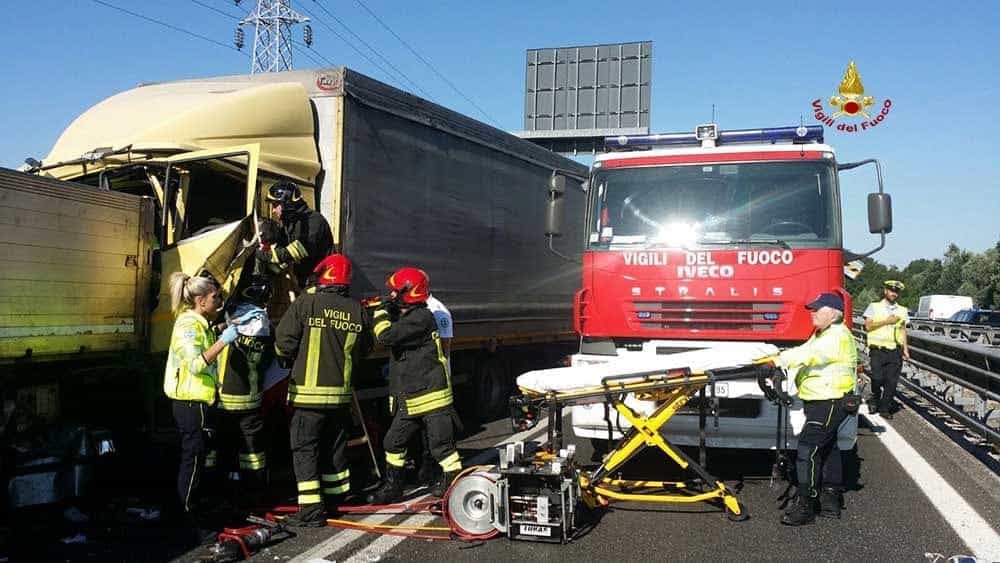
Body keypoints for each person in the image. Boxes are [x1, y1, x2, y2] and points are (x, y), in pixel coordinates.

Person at [275, 254, 371, 527]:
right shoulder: (357, 310)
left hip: (308, 398)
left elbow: (283, 343)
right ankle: (337, 501)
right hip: (340, 398)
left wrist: (290, 358)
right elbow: (365, 349)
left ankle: (311, 511)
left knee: (305, 450)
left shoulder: (307, 303)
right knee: (335, 448)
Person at [367, 268, 462, 504]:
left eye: (395, 291)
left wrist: (380, 310)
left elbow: (385, 336)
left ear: (409, 292)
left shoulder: (422, 318)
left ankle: (455, 484)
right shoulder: (409, 317)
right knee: (393, 442)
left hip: (430, 396)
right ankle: (393, 486)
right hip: (411, 398)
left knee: (442, 448)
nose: (391, 294)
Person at [773, 292, 857, 526]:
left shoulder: (837, 336)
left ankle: (806, 505)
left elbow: (808, 355)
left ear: (832, 314)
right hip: (823, 400)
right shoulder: (823, 334)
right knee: (828, 448)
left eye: (817, 309)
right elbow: (805, 351)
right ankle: (831, 500)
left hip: (830, 400)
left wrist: (776, 360)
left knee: (807, 450)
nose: (812, 313)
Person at [163, 272, 242, 516]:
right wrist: (224, 341)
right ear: (200, 300)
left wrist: (221, 328)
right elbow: (196, 364)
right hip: (190, 402)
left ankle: (197, 501)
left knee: (202, 455)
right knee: (193, 457)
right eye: (215, 297)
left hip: (200, 401)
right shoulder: (188, 325)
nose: (219, 301)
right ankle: (186, 508)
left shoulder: (199, 323)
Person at [215, 277, 274, 502]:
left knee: (220, 447)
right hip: (250, 399)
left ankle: (218, 488)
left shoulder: (228, 318)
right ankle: (255, 491)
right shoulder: (267, 326)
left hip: (222, 398)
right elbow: (270, 360)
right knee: (252, 452)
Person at [257, 182, 334, 288]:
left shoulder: (313, 222)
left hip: (323, 285)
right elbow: (282, 252)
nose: (273, 210)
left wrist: (256, 252)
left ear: (287, 203)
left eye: (275, 205)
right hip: (306, 283)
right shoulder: (290, 223)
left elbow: (289, 254)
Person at [416, 293, 453, 486]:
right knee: (424, 430)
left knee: (436, 433)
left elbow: (445, 350)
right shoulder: (420, 310)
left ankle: (439, 474)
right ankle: (426, 469)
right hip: (423, 380)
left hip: (435, 382)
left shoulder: (438, 311)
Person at [863, 280, 910, 419]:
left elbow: (902, 330)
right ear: (885, 291)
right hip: (877, 350)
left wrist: (906, 349)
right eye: (891, 290)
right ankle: (875, 398)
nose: (893, 293)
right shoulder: (874, 307)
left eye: (896, 291)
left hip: (895, 350)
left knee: (891, 382)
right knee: (877, 378)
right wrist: (886, 321)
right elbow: (868, 326)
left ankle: (884, 409)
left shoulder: (902, 310)